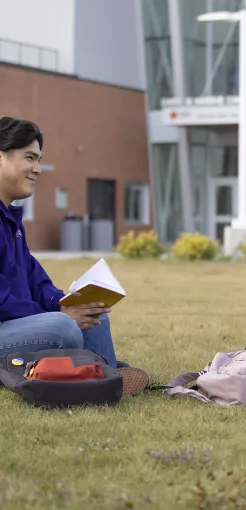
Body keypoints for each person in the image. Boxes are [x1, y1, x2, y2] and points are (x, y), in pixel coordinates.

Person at [0, 117, 149, 395]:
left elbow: (35, 280)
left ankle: (106, 375)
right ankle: (94, 381)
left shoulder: (9, 219)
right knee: (63, 327)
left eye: (39, 159)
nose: (38, 168)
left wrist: (63, 302)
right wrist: (61, 314)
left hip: (13, 325)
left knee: (94, 313)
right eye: (29, 158)